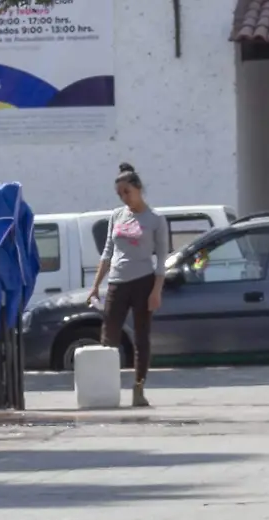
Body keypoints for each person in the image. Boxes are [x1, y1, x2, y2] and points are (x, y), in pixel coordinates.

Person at [86, 162, 168, 408]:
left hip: (144, 281)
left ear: (139, 188)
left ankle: (139, 388)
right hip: (117, 282)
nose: (124, 198)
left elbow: (162, 259)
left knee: (142, 337)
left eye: (127, 192)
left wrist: (157, 291)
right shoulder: (116, 216)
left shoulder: (155, 220)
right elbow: (107, 253)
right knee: (109, 335)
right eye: (120, 194)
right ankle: (105, 388)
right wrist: (95, 286)